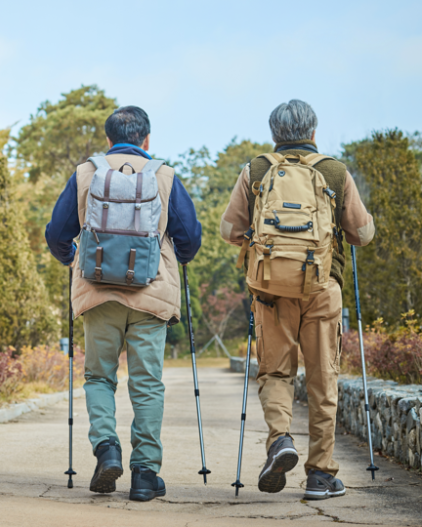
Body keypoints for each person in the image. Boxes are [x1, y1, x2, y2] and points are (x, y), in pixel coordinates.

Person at [220, 99, 375, 500]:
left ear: (274, 133)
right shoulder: (334, 171)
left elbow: (229, 229)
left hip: (271, 289)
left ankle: (280, 441)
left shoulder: (257, 170)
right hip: (323, 288)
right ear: (313, 131)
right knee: (323, 380)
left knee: (275, 373)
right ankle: (321, 474)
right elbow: (361, 234)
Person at [46, 106, 202, 501]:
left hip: (98, 295)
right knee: (147, 385)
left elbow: (57, 232)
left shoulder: (86, 173)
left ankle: (106, 449)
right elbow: (190, 239)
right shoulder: (164, 175)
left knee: (100, 377)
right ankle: (146, 475)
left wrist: (72, 257)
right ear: (147, 139)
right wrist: (172, 254)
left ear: (109, 139)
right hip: (150, 298)